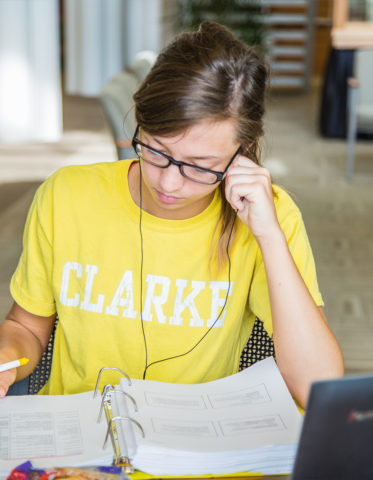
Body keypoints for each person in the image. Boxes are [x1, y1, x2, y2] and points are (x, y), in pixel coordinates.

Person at [0, 21, 343, 407]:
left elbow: (316, 385)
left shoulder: (270, 216)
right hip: (76, 454)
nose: (169, 184)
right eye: (156, 151)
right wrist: (5, 360)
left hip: (197, 449)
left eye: (201, 166)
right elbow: (25, 327)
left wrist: (269, 236)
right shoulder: (66, 195)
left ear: (242, 152)